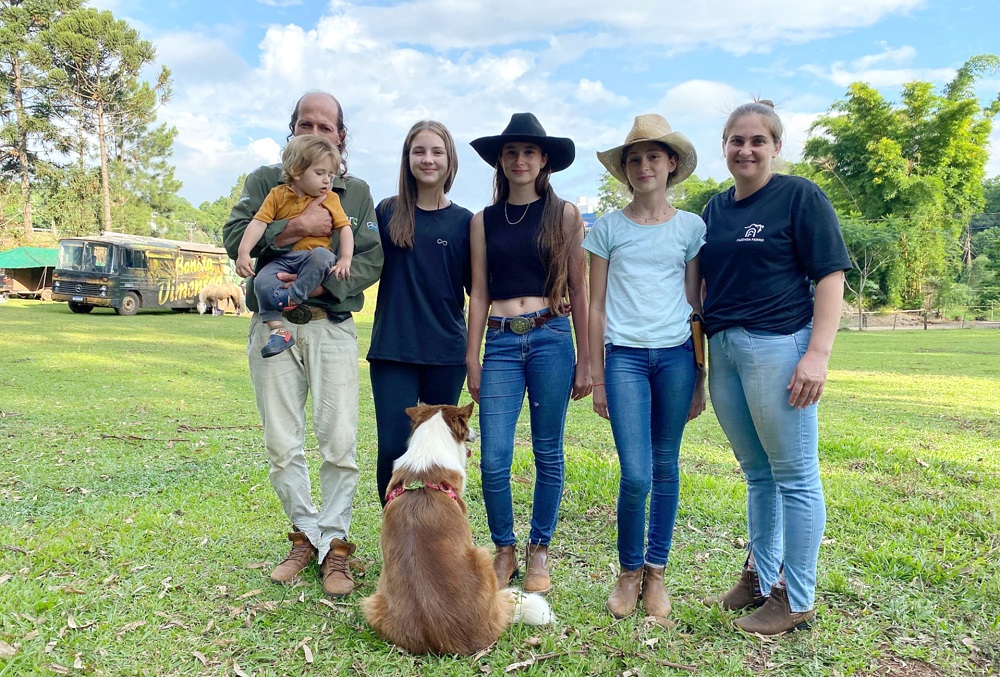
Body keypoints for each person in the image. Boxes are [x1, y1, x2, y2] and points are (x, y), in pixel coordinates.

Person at [222, 91, 384, 598]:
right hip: (274, 326)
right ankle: (305, 535)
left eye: (326, 125)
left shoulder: (354, 192)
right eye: (305, 123)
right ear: (291, 129)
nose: (315, 131)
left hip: (330, 326)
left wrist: (320, 284)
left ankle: (335, 543)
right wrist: (294, 228)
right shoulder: (263, 182)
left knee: (339, 441)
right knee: (281, 443)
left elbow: (370, 260)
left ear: (341, 136)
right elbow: (233, 238)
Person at [699, 100, 849, 635]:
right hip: (726, 348)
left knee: (795, 474)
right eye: (736, 141)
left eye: (757, 140)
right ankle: (761, 578)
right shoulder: (715, 210)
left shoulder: (800, 197)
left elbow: (831, 275)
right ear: (724, 146)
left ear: (776, 147)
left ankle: (798, 595)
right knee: (758, 473)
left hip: (780, 345)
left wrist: (817, 355)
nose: (746, 150)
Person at [584, 114, 707, 622]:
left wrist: (700, 374)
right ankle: (628, 571)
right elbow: (594, 305)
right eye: (634, 159)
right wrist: (595, 374)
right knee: (636, 474)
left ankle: (657, 573)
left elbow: (695, 301)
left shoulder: (691, 227)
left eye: (653, 156)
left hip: (677, 357)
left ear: (671, 164)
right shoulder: (608, 229)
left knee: (666, 465)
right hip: (626, 360)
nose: (643, 166)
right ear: (625, 170)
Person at [466, 112, 591, 595]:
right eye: (512, 151)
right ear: (501, 160)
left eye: (530, 152)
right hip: (498, 338)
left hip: (550, 338)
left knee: (547, 450)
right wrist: (472, 356)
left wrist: (586, 358)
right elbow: (478, 291)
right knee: (494, 457)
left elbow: (578, 291)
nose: (520, 159)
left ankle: (540, 548)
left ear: (544, 161)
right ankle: (504, 548)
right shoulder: (483, 221)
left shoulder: (564, 215)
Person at [368, 121, 473, 505]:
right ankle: (396, 536)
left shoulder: (464, 222)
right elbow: (359, 265)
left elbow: (478, 291)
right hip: (392, 350)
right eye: (419, 151)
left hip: (446, 353)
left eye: (436, 151)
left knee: (440, 452)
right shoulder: (387, 212)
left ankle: (434, 534)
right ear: (407, 157)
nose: (427, 159)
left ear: (449, 160)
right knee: (394, 448)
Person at [235, 135, 354, 358]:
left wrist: (345, 259)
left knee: (322, 257)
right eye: (320, 174)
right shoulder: (277, 195)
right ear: (297, 171)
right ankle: (278, 331)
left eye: (330, 175)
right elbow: (258, 223)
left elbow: (344, 228)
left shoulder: (330, 198)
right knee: (260, 280)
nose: (327, 181)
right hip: (284, 259)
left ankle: (293, 296)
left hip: (312, 258)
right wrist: (243, 253)